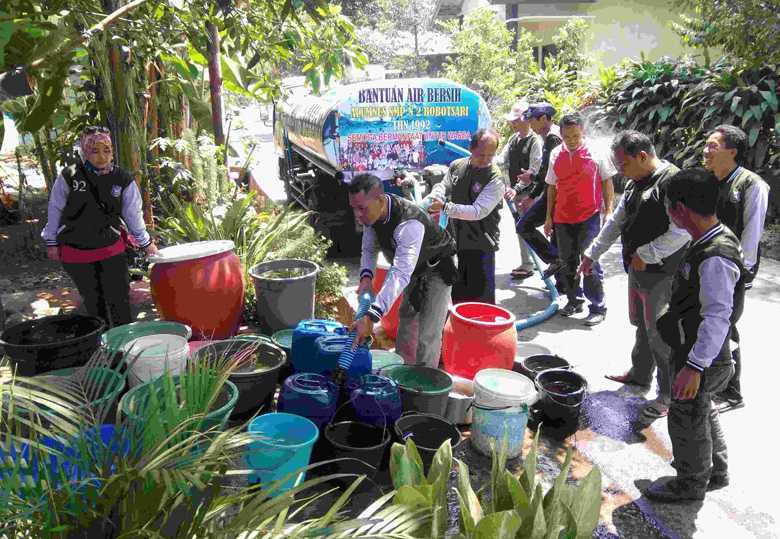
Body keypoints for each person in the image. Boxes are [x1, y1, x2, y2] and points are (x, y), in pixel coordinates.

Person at [645, 168, 745, 502]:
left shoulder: (715, 254)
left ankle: (690, 484)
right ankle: (716, 470)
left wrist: (694, 367)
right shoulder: (710, 238)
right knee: (702, 410)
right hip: (703, 352)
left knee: (686, 418)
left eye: (669, 206)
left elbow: (717, 316)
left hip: (705, 357)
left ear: (679, 209)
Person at [580, 131, 690, 420]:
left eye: (623, 164)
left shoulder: (672, 182)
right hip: (638, 269)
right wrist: (593, 252)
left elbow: (682, 231)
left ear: (642, 156)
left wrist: (648, 254)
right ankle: (640, 375)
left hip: (664, 273)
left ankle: (667, 394)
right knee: (641, 325)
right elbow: (617, 220)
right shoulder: (634, 183)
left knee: (661, 334)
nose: (619, 171)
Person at [41, 126, 157, 327]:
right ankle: (102, 348)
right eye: (95, 151)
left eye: (107, 150)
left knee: (120, 301)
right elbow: (55, 209)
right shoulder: (69, 176)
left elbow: (133, 215)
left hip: (111, 250)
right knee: (94, 305)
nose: (102, 157)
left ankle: (125, 346)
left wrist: (146, 243)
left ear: (112, 151)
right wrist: (51, 242)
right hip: (75, 252)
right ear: (85, 152)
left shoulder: (123, 179)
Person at [349, 174, 458, 367]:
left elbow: (400, 273)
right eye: (354, 208)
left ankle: (425, 387)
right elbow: (369, 249)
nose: (357, 215)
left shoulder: (409, 223)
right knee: (407, 322)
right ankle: (402, 376)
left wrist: (371, 316)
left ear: (380, 201)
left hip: (438, 267)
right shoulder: (371, 215)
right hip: (414, 269)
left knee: (428, 333)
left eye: (361, 208)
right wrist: (366, 280)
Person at [702, 124, 770, 410]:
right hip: (707, 264)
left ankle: (731, 391)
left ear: (732, 151)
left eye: (712, 146)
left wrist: (742, 271)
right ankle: (711, 380)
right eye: (705, 144)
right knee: (707, 321)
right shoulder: (708, 180)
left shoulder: (751, 184)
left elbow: (752, 233)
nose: (705, 150)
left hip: (733, 270)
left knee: (725, 325)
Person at [544, 112, 615, 325]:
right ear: (561, 135)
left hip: (589, 216)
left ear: (582, 131)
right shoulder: (556, 154)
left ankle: (598, 306)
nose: (572, 141)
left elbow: (607, 181)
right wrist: (548, 217)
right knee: (567, 262)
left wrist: (608, 209)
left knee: (589, 261)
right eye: (567, 137)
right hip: (563, 217)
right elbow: (551, 187)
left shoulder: (597, 152)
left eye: (576, 136)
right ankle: (575, 300)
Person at [427, 128, 504, 304]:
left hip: (483, 243)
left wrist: (446, 206)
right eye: (480, 155)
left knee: (482, 300)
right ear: (470, 148)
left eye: (490, 156)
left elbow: (478, 211)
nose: (485, 160)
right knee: (460, 295)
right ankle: (460, 328)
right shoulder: (457, 166)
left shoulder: (495, 178)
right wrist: (437, 193)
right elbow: (444, 185)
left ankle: (483, 329)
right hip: (459, 240)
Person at [514, 102, 564, 287]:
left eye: (531, 120)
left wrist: (531, 181)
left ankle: (556, 260)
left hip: (558, 194)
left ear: (543, 119)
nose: (530, 125)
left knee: (524, 226)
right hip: (553, 192)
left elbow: (548, 173)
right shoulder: (549, 137)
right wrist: (532, 194)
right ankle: (563, 285)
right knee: (555, 238)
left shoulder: (554, 138)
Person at [495, 100, 543, 280]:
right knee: (522, 227)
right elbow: (501, 160)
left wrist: (516, 188)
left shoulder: (534, 141)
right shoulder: (514, 139)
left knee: (526, 227)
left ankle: (530, 264)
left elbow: (534, 170)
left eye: (516, 120)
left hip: (528, 194)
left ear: (526, 119)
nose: (512, 123)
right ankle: (531, 261)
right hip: (515, 193)